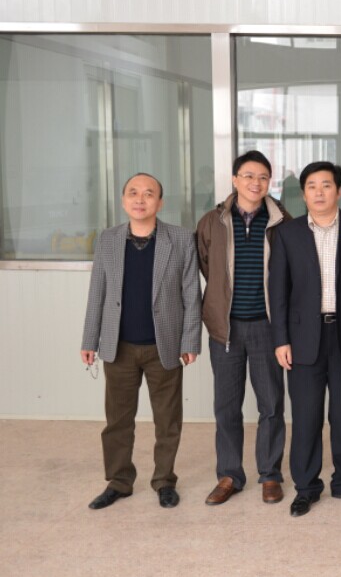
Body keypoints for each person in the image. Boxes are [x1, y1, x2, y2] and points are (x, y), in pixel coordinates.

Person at [80, 173, 201, 510]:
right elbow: (97, 293)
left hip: (165, 345)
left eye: (149, 194)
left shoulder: (180, 239)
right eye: (133, 193)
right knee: (117, 422)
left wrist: (190, 340)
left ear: (160, 203)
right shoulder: (108, 239)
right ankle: (119, 482)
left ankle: (164, 481)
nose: (140, 199)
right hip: (118, 346)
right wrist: (90, 338)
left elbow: (192, 293)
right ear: (123, 200)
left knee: (167, 421)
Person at [269, 161, 341, 517]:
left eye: (326, 185)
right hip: (303, 338)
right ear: (303, 193)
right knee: (306, 416)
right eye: (311, 186)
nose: (319, 192)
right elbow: (278, 291)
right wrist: (281, 340)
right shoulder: (288, 234)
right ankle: (306, 487)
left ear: (339, 191)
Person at [197, 150, 291, 506]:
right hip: (226, 329)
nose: (256, 183)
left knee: (271, 404)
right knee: (226, 406)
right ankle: (229, 475)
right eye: (249, 176)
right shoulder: (212, 221)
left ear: (270, 183)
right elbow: (206, 265)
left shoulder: (282, 220)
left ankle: (270, 474)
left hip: (267, 328)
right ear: (235, 179)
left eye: (263, 177)